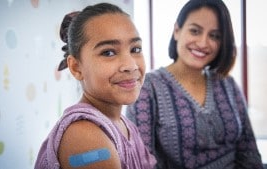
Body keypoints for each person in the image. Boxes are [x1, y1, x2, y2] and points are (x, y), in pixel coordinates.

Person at [126, 0, 264, 168]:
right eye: (195, 31)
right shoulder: (148, 88)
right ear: (177, 30)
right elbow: (142, 162)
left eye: (214, 36)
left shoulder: (228, 84)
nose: (203, 43)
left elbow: (249, 152)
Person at [34, 3, 157, 169]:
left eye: (135, 49)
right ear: (76, 67)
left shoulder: (126, 125)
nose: (130, 65)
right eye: (108, 52)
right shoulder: (83, 136)